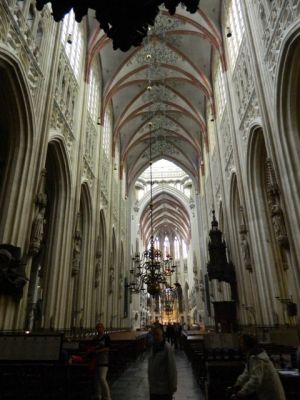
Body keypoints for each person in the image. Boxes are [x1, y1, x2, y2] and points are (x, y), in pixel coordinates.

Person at [229, 334, 286, 400]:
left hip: (271, 395)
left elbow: (255, 380)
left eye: (242, 343)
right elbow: (247, 372)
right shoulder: (252, 355)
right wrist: (237, 385)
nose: (240, 346)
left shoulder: (257, 358)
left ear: (247, 344)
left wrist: (241, 393)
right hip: (266, 394)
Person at [148, 325, 177, 400]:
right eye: (154, 334)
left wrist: (172, 387)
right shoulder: (153, 347)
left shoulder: (167, 348)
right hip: (153, 389)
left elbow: (172, 369)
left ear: (162, 335)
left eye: (157, 334)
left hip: (163, 390)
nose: (155, 337)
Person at [93, 322, 111, 400]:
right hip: (96, 360)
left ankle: (107, 397)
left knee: (102, 378)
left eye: (100, 327)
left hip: (104, 360)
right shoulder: (95, 338)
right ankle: (98, 395)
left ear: (103, 328)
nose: (99, 329)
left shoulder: (106, 337)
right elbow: (93, 347)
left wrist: (98, 351)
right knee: (96, 379)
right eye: (98, 328)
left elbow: (108, 348)